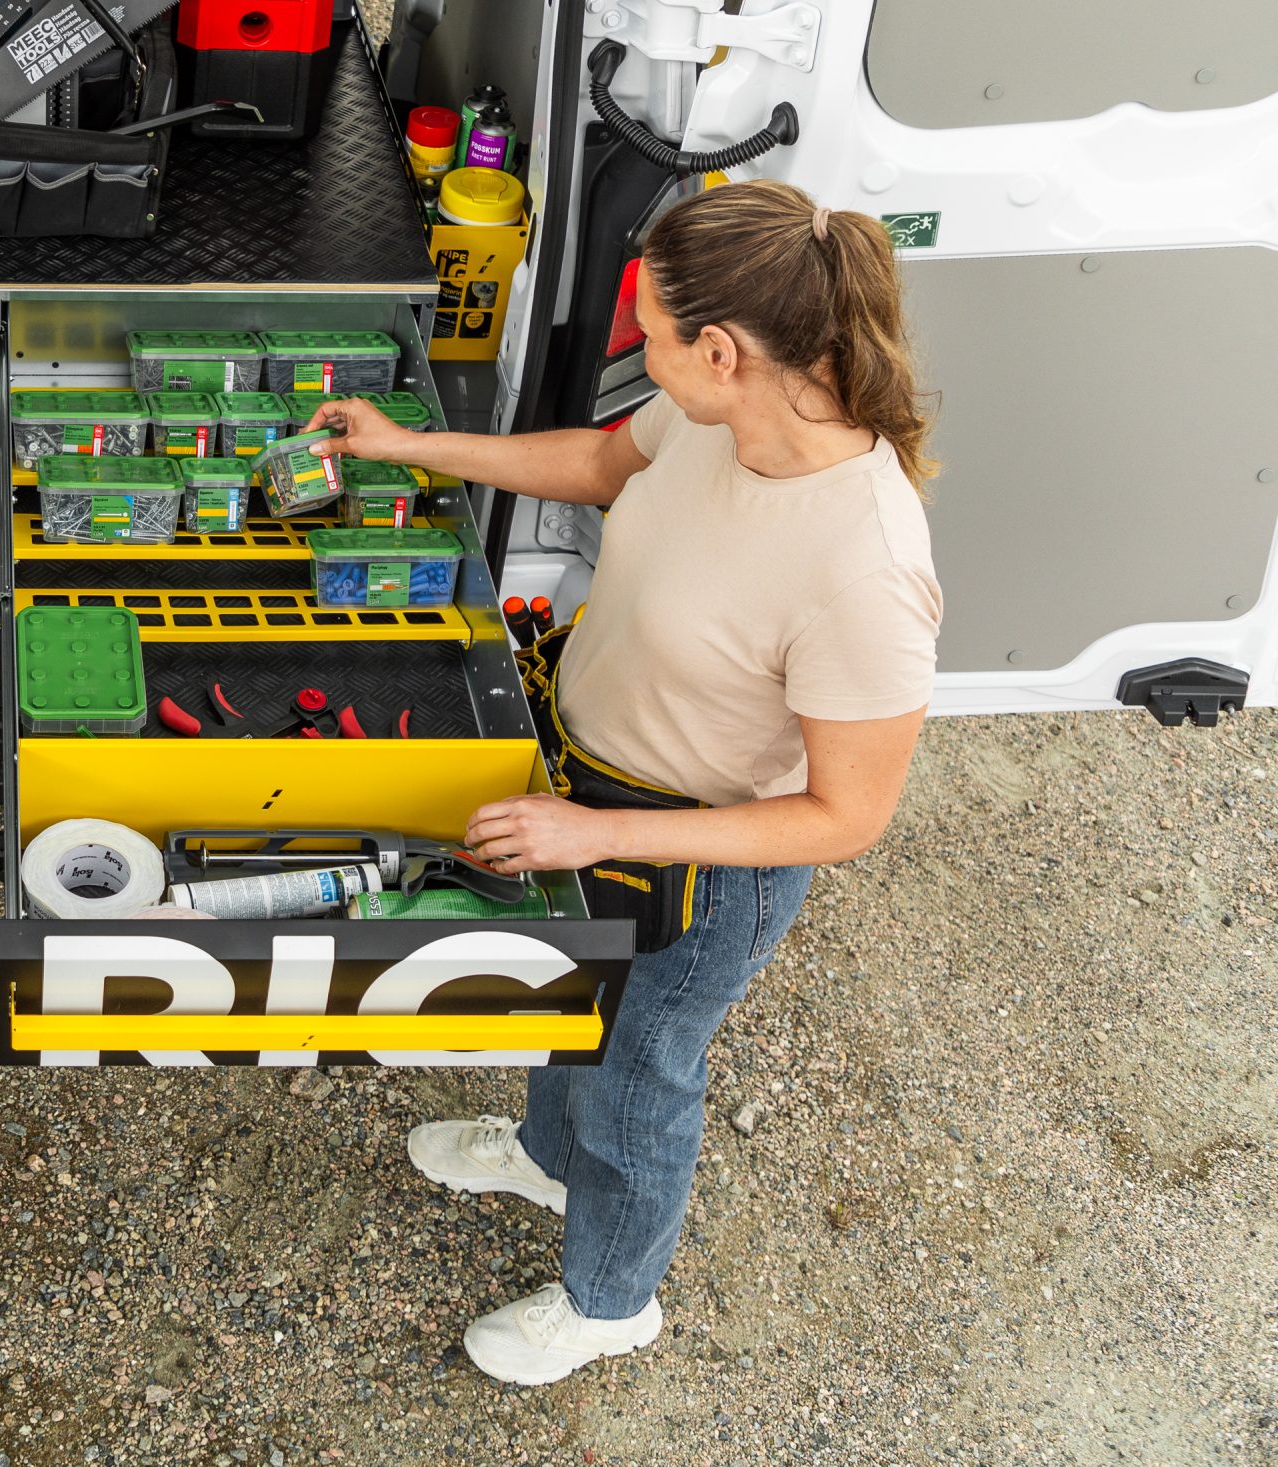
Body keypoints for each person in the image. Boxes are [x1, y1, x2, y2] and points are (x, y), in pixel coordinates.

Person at [314, 180, 941, 1387]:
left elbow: (845, 818)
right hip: (592, 793)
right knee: (566, 1006)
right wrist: (410, 447)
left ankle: (611, 1300)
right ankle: (545, 1160)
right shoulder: (719, 416)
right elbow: (602, 463)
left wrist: (593, 835)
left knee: (634, 1083)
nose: (638, 351)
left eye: (649, 335)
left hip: (697, 869)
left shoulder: (863, 567)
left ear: (721, 350)